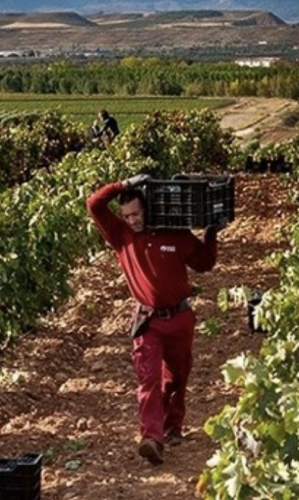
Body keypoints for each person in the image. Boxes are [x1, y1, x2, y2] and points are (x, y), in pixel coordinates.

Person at [87, 175, 219, 465]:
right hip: (149, 320)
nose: (132, 220)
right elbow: (94, 204)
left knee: (177, 376)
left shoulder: (175, 234)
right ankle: (151, 438)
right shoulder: (121, 236)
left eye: (136, 213)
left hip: (181, 317)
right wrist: (122, 185)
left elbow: (205, 263)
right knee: (148, 378)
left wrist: (211, 233)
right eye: (127, 215)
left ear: (148, 209)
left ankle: (172, 428)